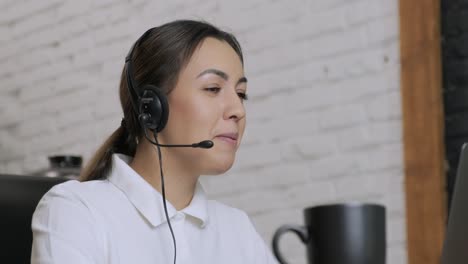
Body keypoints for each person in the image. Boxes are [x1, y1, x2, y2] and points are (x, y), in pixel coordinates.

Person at [30, 20, 278, 264]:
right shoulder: (77, 209)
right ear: (152, 106)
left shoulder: (238, 229)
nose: (238, 110)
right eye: (213, 88)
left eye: (241, 94)